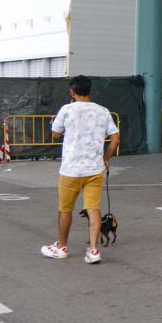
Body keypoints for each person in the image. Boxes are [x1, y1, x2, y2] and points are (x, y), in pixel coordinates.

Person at [41, 76, 119, 264]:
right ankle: (93, 250)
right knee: (93, 208)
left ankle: (61, 247)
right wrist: (106, 158)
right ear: (89, 90)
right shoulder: (103, 111)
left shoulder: (66, 110)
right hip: (94, 169)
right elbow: (115, 138)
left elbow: (55, 134)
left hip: (71, 170)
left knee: (65, 209)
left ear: (72, 91)